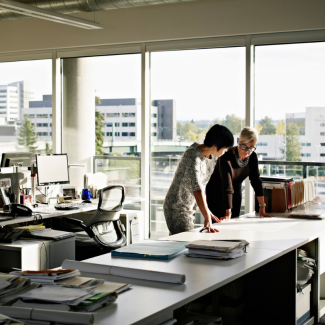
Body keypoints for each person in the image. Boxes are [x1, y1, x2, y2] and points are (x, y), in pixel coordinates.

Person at [163, 124, 234, 235]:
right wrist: (206, 216)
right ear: (216, 145)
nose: (226, 150)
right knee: (182, 243)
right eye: (225, 147)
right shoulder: (193, 155)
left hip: (190, 206)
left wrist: (207, 212)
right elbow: (197, 188)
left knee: (184, 243)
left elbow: (202, 185)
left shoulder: (212, 157)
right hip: (177, 207)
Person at [206, 126, 273, 221]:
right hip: (217, 192)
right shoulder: (226, 156)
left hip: (235, 192)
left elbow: (256, 181)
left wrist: (262, 206)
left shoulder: (252, 157)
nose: (247, 151)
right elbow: (227, 186)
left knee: (234, 222)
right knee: (220, 224)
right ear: (238, 141)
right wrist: (228, 212)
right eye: (244, 146)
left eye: (251, 148)